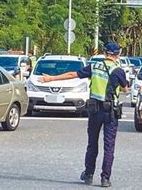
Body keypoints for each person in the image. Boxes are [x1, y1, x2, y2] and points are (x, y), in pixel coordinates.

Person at [39, 42, 128, 187]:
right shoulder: (118, 70)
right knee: (109, 147)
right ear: (118, 54)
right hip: (110, 112)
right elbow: (125, 89)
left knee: (92, 144)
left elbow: (72, 74)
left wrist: (51, 79)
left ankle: (88, 174)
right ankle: (105, 178)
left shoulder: (94, 66)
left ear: (105, 53)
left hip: (94, 111)